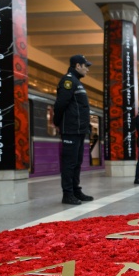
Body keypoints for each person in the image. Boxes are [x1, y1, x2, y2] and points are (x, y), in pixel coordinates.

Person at [53, 54, 94, 205]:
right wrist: (57, 122)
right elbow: (60, 104)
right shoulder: (68, 81)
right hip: (70, 129)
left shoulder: (77, 82)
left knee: (76, 162)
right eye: (86, 66)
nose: (87, 70)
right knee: (69, 163)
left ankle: (76, 190)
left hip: (79, 130)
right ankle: (67, 194)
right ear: (78, 65)